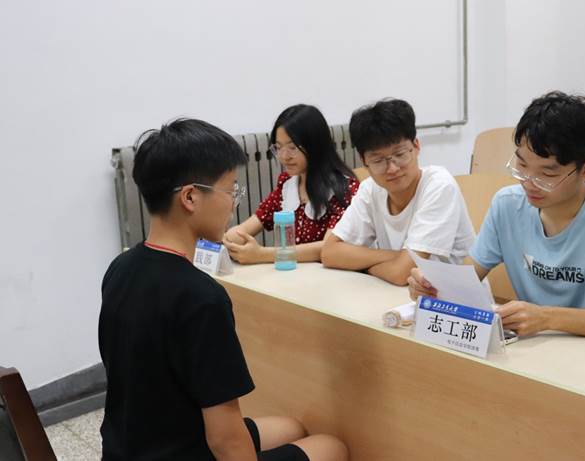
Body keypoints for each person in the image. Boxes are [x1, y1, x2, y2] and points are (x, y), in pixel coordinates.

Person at [99, 119, 348, 461]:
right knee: (332, 447)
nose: (234, 204)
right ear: (190, 197)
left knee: (291, 427)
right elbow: (226, 442)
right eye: (231, 191)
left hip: (137, 444)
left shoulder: (120, 268)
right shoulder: (201, 297)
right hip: (187, 450)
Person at [408, 91, 585, 343]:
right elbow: (466, 279)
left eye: (548, 174)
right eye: (522, 165)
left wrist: (548, 318)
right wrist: (433, 285)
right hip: (533, 349)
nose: (529, 183)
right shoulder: (508, 205)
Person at [321, 98, 477, 286]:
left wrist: (363, 266)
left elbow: (401, 274)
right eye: (378, 161)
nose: (392, 168)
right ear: (364, 162)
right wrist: (396, 258)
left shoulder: (439, 186)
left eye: (400, 154)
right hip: (397, 295)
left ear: (416, 146)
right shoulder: (370, 189)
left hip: (454, 299)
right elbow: (330, 252)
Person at [223, 105, 359, 264]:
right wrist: (226, 238)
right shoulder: (287, 183)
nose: (284, 156)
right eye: (278, 147)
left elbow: (328, 248)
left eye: (292, 148)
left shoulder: (345, 189)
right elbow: (251, 225)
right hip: (293, 273)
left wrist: (262, 254)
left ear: (315, 145)